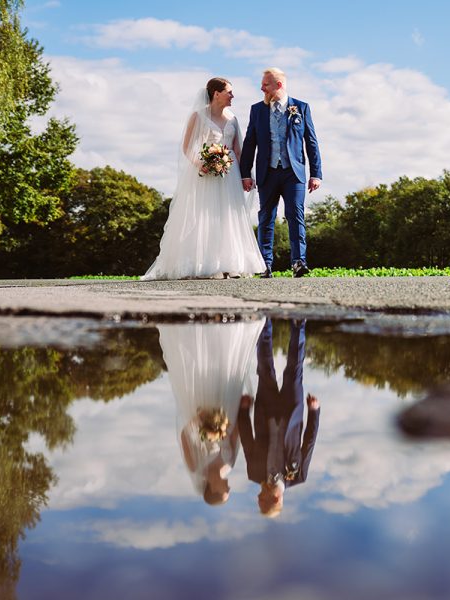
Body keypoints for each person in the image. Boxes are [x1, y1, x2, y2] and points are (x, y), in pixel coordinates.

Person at [142, 77, 265, 280]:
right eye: (229, 92)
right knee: (206, 215)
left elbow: (238, 149)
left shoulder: (233, 118)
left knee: (229, 216)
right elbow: (187, 147)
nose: (232, 96)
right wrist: (202, 163)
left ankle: (231, 263)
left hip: (230, 173)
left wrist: (245, 176)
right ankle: (208, 263)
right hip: (206, 173)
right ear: (216, 93)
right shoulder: (198, 116)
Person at [158, 318, 264, 504]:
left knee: (202, 368)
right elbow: (235, 436)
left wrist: (199, 419)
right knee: (224, 367)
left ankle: (199, 326)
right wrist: (243, 409)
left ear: (213, 489)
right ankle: (226, 324)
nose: (229, 487)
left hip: (201, 407)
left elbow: (185, 437)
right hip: (227, 408)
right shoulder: (229, 465)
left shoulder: (196, 468)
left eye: (225, 491)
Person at [240, 68, 322, 278]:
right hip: (267, 172)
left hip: (293, 173)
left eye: (265, 84)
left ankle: (298, 262)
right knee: (266, 217)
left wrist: (316, 173)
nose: (261, 88)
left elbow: (311, 142)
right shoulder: (257, 110)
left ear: (278, 85)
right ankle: (265, 265)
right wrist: (245, 173)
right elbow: (250, 143)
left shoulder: (301, 108)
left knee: (296, 216)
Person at [238, 319, 321, 517]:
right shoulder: (299, 476)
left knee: (265, 369)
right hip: (292, 410)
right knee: (295, 371)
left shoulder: (254, 474)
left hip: (265, 412)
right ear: (275, 499)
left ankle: (264, 322)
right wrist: (314, 411)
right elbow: (309, 443)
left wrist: (243, 411)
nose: (258, 498)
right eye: (262, 501)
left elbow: (247, 441)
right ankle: (298, 324)